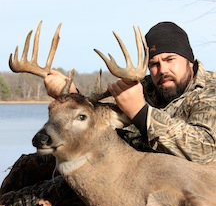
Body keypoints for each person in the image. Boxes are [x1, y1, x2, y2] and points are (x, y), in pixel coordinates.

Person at [44, 22, 216, 164]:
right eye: (154, 64)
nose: (163, 70)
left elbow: (205, 150)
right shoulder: (145, 87)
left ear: (189, 61)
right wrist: (73, 97)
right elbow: (98, 116)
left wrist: (141, 113)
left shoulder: (211, 90)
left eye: (170, 60)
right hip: (136, 177)